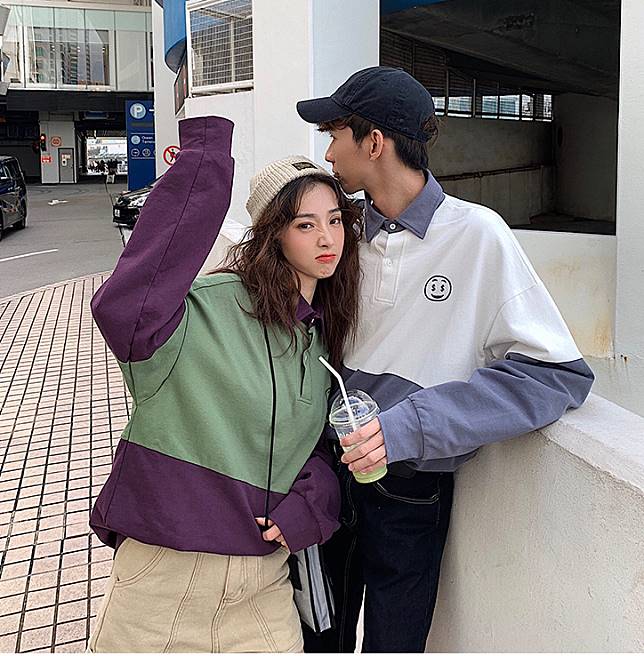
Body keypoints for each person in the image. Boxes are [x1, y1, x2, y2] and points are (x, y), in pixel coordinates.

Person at [296, 66, 595, 653]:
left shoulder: (477, 235)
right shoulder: (341, 235)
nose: (327, 154)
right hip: (323, 477)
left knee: (395, 644)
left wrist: (411, 426)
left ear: (373, 142)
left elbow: (557, 375)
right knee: (317, 637)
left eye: (334, 135)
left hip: (410, 490)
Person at [87, 115, 363, 652]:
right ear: (272, 233)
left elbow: (310, 448)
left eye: (335, 220)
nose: (327, 238)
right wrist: (205, 160)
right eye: (305, 224)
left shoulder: (319, 337)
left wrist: (308, 504)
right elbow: (125, 308)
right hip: (164, 582)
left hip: (263, 588)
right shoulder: (204, 310)